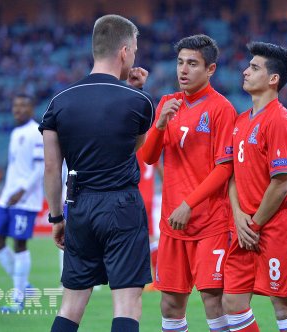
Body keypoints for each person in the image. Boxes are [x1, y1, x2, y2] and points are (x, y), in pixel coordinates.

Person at [39, 15, 155, 332]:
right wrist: (134, 91)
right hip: (122, 206)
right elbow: (133, 148)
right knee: (128, 304)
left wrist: (56, 218)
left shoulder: (58, 102)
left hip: (79, 206)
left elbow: (51, 167)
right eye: (133, 50)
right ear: (124, 51)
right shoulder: (139, 101)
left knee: (72, 305)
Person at [140, 34, 236, 332]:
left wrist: (189, 204)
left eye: (192, 64)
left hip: (210, 222)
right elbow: (148, 156)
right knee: (170, 304)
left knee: (213, 300)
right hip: (173, 223)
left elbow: (224, 169)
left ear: (210, 69)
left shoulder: (222, 109)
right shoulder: (168, 103)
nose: (183, 70)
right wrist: (158, 126)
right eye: (180, 62)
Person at [222, 42, 287, 332]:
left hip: (275, 224)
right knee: (232, 303)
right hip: (245, 225)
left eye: (254, 67)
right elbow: (232, 174)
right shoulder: (241, 120)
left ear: (273, 79)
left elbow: (281, 185)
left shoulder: (279, 121)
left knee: (283, 306)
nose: (245, 71)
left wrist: (255, 224)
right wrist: (237, 215)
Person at [0, 94, 44, 313]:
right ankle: (25, 287)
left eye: (23, 106)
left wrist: (21, 191)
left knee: (19, 245)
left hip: (25, 200)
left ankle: (18, 299)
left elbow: (40, 168)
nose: (18, 109)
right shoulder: (15, 133)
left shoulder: (36, 132)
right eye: (15, 106)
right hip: (7, 198)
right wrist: (9, 192)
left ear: (31, 109)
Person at [136, 150, 163, 292]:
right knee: (151, 237)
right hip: (149, 197)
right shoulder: (150, 147)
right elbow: (159, 169)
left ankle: (151, 279)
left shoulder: (134, 147)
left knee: (139, 238)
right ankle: (157, 278)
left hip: (135, 196)